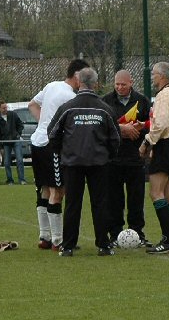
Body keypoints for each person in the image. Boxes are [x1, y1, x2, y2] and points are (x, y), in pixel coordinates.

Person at [48, 67, 121, 257]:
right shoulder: (105, 108)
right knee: (100, 203)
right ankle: (103, 245)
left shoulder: (68, 107)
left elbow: (52, 133)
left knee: (73, 204)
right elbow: (115, 138)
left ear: (79, 82)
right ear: (96, 84)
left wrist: (63, 151)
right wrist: (108, 155)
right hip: (99, 163)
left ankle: (68, 246)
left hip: (72, 163)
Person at [28, 58, 89, 251]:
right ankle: (58, 240)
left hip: (37, 141)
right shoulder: (69, 96)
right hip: (50, 146)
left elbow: (32, 104)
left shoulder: (52, 85)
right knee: (58, 191)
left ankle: (45, 236)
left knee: (44, 189)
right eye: (85, 77)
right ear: (77, 76)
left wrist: (43, 124)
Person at [139, 62, 169, 254]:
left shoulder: (163, 95)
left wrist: (147, 141)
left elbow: (160, 122)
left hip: (166, 144)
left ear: (162, 76)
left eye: (154, 74)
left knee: (156, 192)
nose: (152, 77)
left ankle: (167, 239)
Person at [102, 70, 151, 247]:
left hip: (135, 158)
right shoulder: (106, 101)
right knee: (114, 200)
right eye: (117, 84)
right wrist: (121, 129)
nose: (120, 88)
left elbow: (150, 125)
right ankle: (115, 234)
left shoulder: (143, 101)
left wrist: (138, 130)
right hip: (112, 160)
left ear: (131, 83)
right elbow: (102, 127)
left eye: (123, 84)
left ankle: (138, 233)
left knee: (136, 200)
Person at [0, 100, 27, 185]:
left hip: (15, 140)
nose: (5, 109)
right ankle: (10, 180)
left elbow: (20, 125)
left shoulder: (13, 114)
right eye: (3, 108)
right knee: (6, 162)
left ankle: (22, 179)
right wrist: (0, 148)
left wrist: (18, 134)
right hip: (6, 143)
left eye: (6, 107)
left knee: (19, 160)